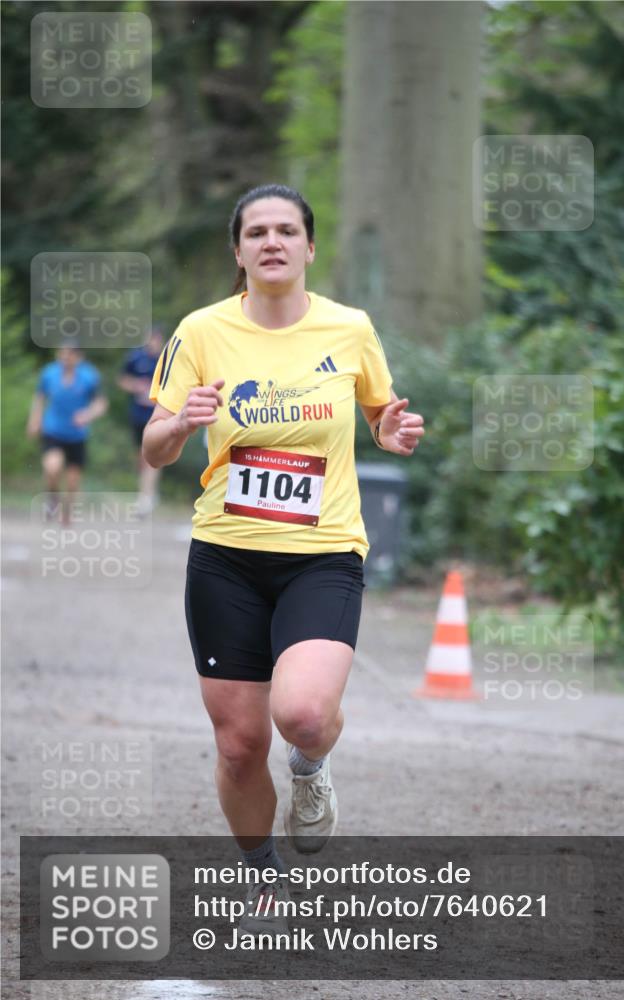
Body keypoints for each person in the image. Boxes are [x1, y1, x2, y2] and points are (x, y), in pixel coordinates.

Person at [142, 184, 424, 933]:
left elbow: (378, 412)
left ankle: (310, 769)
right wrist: (180, 426)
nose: (272, 241)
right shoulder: (201, 331)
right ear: (237, 252)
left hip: (321, 552)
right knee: (238, 746)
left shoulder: (349, 327)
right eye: (257, 232)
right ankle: (263, 877)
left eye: (286, 230)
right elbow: (154, 442)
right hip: (225, 557)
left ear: (307, 246)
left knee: (301, 715)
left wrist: (390, 433)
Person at [27, 344, 107, 523]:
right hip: (53, 430)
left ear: (78, 357)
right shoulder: (49, 373)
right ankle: (53, 498)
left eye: (68, 355)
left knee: (72, 482)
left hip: (77, 435)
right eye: (61, 354)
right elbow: (40, 398)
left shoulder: (89, 376)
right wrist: (34, 420)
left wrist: (88, 414)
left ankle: (67, 512)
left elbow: (100, 404)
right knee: (52, 467)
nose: (64, 358)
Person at [117, 328, 165, 516]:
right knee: (142, 456)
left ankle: (146, 496)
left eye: (156, 340)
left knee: (152, 456)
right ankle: (148, 492)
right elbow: (122, 379)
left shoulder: (167, 361)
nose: (153, 343)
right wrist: (135, 386)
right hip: (138, 415)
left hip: (159, 416)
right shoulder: (135, 358)